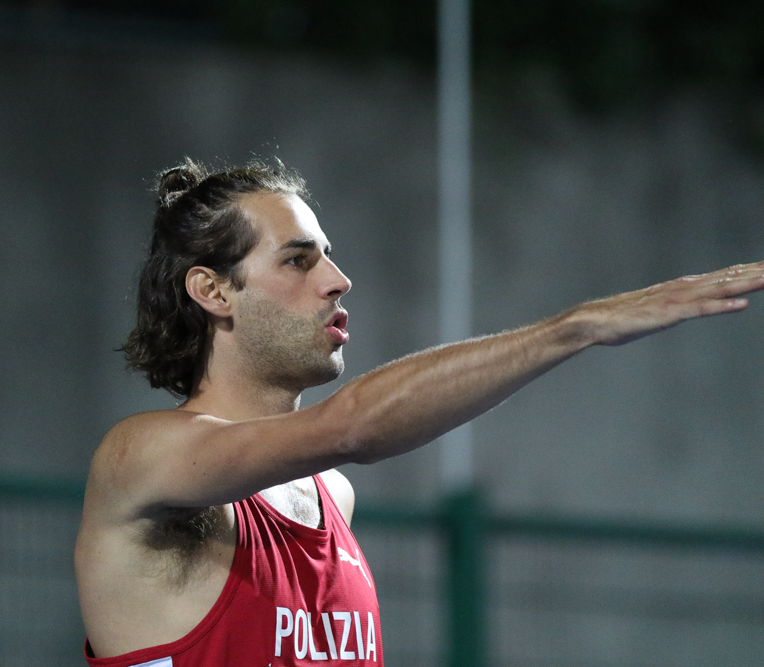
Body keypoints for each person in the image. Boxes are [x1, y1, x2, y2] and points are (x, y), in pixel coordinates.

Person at [75, 158, 764, 666]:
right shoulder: (140, 460)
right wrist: (576, 327)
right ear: (214, 291)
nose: (338, 280)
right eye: (298, 261)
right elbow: (350, 426)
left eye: (329, 257)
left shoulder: (331, 496)